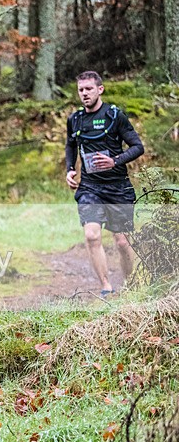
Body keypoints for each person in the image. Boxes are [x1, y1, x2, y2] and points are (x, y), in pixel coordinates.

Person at [65, 71, 144, 296]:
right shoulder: (75, 119)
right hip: (90, 187)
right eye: (81, 90)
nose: (84, 94)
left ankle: (131, 286)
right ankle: (106, 287)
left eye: (89, 89)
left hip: (118, 187)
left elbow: (138, 147)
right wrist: (70, 169)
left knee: (122, 242)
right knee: (91, 235)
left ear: (100, 89)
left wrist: (115, 161)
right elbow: (70, 145)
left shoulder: (114, 116)